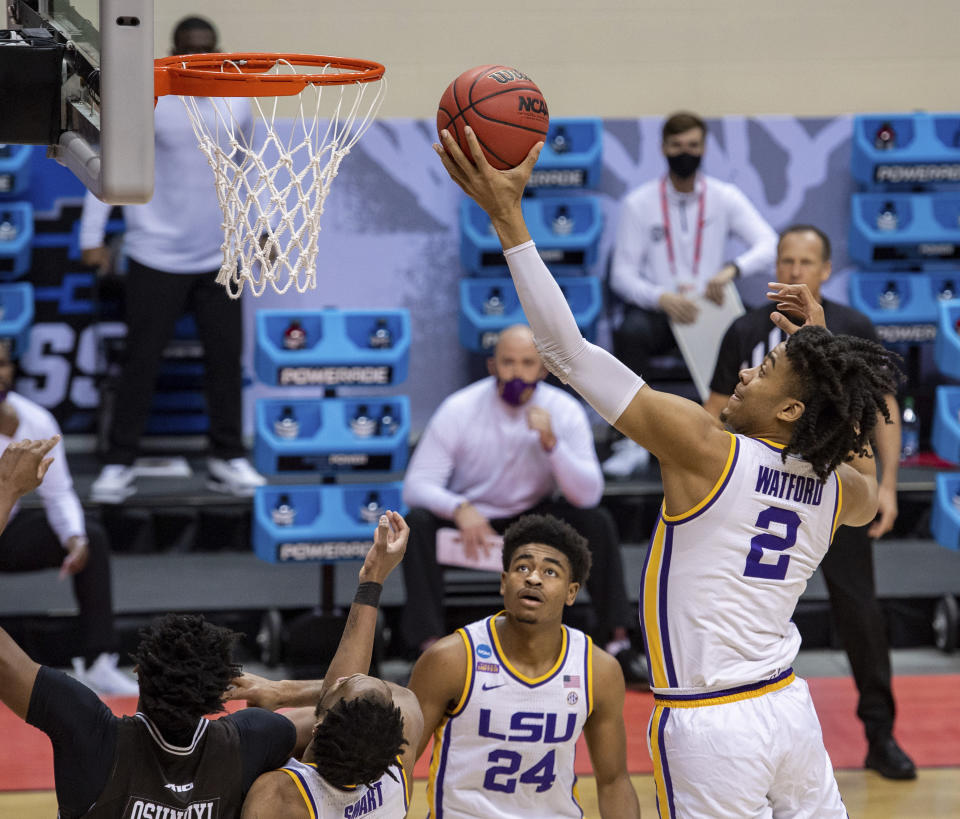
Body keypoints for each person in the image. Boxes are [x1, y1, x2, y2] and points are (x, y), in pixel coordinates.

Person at [434, 127, 902, 816]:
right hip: (789, 712)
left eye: (766, 368)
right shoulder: (838, 489)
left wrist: (508, 218)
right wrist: (819, 336)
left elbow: (565, 352)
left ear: (793, 407)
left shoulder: (707, 449)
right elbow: (855, 441)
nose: (744, 369)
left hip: (714, 723)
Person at [703, 224, 915, 780]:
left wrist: (886, 486)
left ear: (824, 271)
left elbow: (881, 411)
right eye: (786, 260)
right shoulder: (745, 329)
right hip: (755, 495)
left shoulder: (850, 327)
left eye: (806, 262)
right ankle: (735, 740)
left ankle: (880, 734)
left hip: (830, 493)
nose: (794, 271)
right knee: (742, 613)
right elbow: (715, 412)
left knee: (860, 613)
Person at [80, 15, 265, 502]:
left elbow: (246, 171)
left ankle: (228, 458)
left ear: (218, 50)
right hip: (154, 253)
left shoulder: (238, 99)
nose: (198, 57)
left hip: (220, 255)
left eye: (206, 50)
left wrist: (260, 228)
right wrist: (92, 236)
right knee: (141, 363)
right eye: (189, 50)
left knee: (226, 362)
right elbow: (109, 164)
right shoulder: (151, 98)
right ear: (173, 51)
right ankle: (119, 463)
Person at [401, 324, 643, 682]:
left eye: (527, 363)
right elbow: (415, 486)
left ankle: (619, 645)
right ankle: (428, 647)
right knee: (418, 523)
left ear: (543, 369)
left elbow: (588, 494)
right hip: (473, 519)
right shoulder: (460, 408)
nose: (517, 372)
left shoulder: (562, 410)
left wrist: (552, 445)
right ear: (492, 367)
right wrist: (459, 508)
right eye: (508, 362)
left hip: (533, 521)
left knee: (597, 522)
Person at [407, 513, 641, 818]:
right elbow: (399, 764)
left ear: (572, 592)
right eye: (522, 567)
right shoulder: (452, 659)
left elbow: (614, 782)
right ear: (504, 582)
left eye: (550, 572)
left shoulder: (597, 669)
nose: (533, 578)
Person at [603, 110, 777, 477]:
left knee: (750, 329)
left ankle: (739, 431)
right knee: (628, 333)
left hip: (709, 308)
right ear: (663, 148)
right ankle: (633, 441)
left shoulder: (724, 197)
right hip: (661, 310)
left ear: (704, 148)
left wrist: (732, 270)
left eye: (693, 146)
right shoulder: (640, 202)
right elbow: (621, 275)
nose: (686, 152)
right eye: (678, 145)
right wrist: (660, 298)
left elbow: (769, 243)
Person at [227, 510, 424, 818]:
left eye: (338, 686)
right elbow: (397, 696)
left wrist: (280, 700)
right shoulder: (396, 771)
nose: (341, 679)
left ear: (320, 731)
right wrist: (372, 579)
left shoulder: (279, 795)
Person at [0, 340, 136, 695]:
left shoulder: (35, 419)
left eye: (2, 364)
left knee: (91, 535)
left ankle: (98, 661)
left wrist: (73, 538)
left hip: (6, 529)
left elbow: (58, 493)